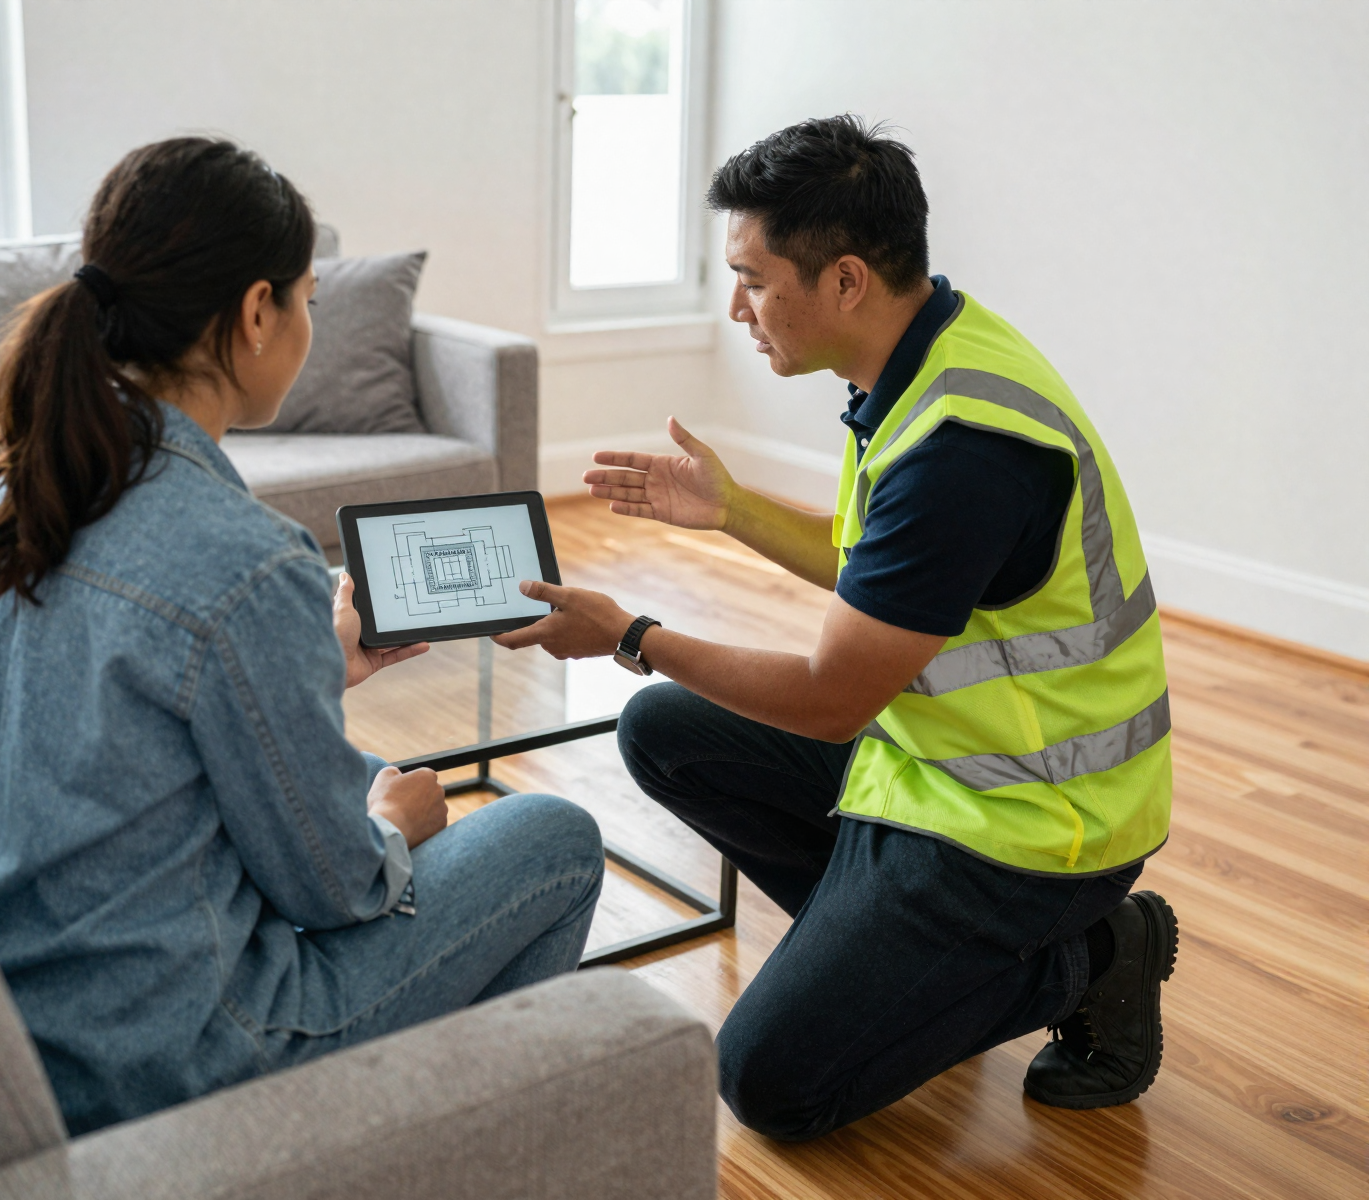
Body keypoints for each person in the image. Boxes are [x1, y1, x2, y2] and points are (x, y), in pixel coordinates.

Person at [494, 116, 1177, 1140]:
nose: (738, 308)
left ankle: (1095, 956)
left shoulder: (963, 448)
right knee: (664, 734)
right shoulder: (920, 353)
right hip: (937, 768)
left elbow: (828, 699)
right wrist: (732, 511)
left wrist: (629, 635)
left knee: (769, 1084)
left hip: (1035, 826)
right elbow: (880, 569)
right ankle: (902, 975)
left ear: (846, 279)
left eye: (755, 280)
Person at [0, 137, 604, 1135]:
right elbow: (333, 891)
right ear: (255, 313)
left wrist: (309, 662)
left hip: (13, 1034)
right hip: (184, 1055)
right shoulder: (249, 560)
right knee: (554, 839)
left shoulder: (10, 508)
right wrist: (393, 826)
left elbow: (101, 745)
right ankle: (442, 1148)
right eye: (309, 299)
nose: (309, 324)